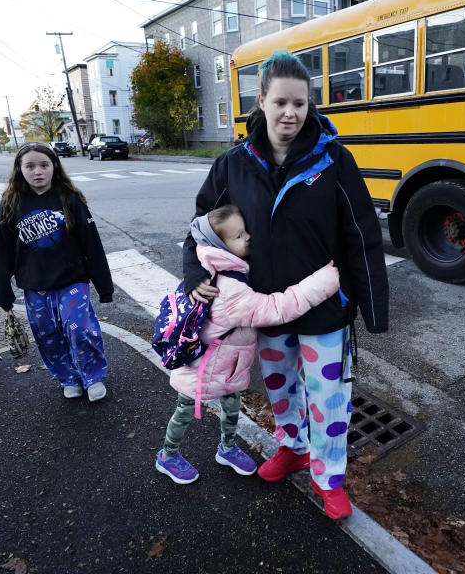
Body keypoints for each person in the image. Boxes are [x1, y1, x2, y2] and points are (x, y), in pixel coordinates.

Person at [183, 51, 389, 519]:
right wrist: (196, 276)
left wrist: (371, 308)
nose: (290, 113)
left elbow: (362, 234)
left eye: (300, 103)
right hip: (267, 309)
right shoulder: (233, 164)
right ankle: (292, 447)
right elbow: (201, 228)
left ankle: (329, 477)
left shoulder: (333, 160)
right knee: (281, 390)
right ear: (262, 101)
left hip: (323, 309)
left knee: (329, 398)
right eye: (280, 102)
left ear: (310, 104)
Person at [158, 204, 340, 485]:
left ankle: (227, 448)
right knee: (184, 411)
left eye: (245, 231)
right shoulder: (230, 290)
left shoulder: (214, 267)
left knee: (231, 407)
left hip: (225, 367)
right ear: (221, 246)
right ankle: (168, 456)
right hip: (202, 368)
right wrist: (323, 281)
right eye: (238, 236)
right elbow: (277, 308)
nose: (248, 238)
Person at [0, 143, 114, 402]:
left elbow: (91, 243)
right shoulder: (10, 204)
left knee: (80, 329)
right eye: (30, 166)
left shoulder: (69, 199)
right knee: (48, 336)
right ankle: (68, 378)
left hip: (72, 280)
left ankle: (92, 376)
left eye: (44, 165)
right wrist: (2, 291)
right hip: (35, 285)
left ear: (54, 167)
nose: (38, 172)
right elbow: (1, 252)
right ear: (19, 170)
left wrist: (104, 285)